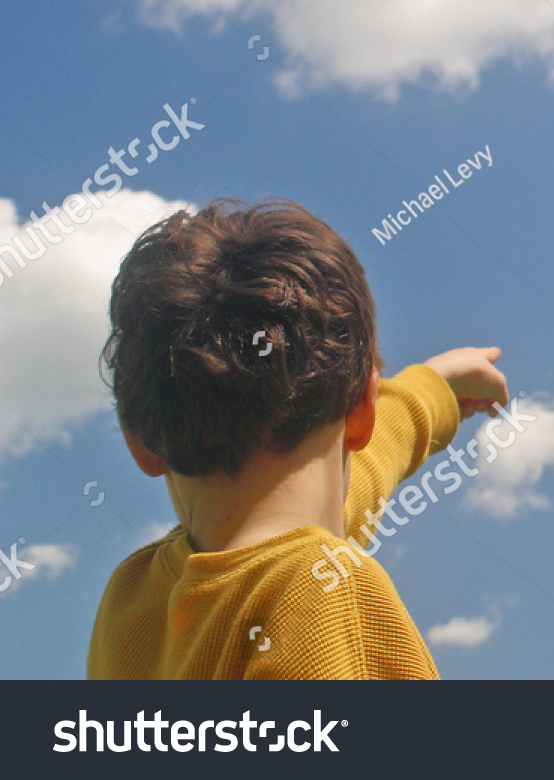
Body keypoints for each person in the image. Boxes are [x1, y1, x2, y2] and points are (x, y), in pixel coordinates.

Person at [86, 199, 509, 678]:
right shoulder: (325, 600)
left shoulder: (134, 600)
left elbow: (345, 492)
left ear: (138, 439)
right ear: (360, 411)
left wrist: (432, 389)